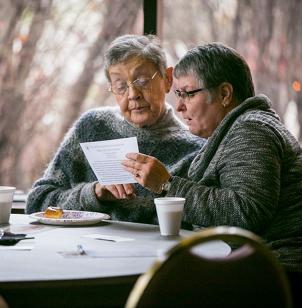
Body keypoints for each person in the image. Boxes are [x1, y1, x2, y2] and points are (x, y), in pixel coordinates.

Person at [122, 42, 302, 305]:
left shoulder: (251, 130)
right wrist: (117, 196)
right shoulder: (227, 135)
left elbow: (247, 211)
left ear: (225, 93)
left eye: (188, 94)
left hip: (286, 272)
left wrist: (168, 185)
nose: (179, 107)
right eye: (178, 95)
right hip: (263, 266)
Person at [26, 34, 205, 224]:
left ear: (167, 80)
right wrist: (94, 194)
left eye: (143, 81)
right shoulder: (93, 126)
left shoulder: (194, 148)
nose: (133, 95)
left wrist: (166, 185)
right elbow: (37, 202)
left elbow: (199, 223)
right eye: (120, 86)